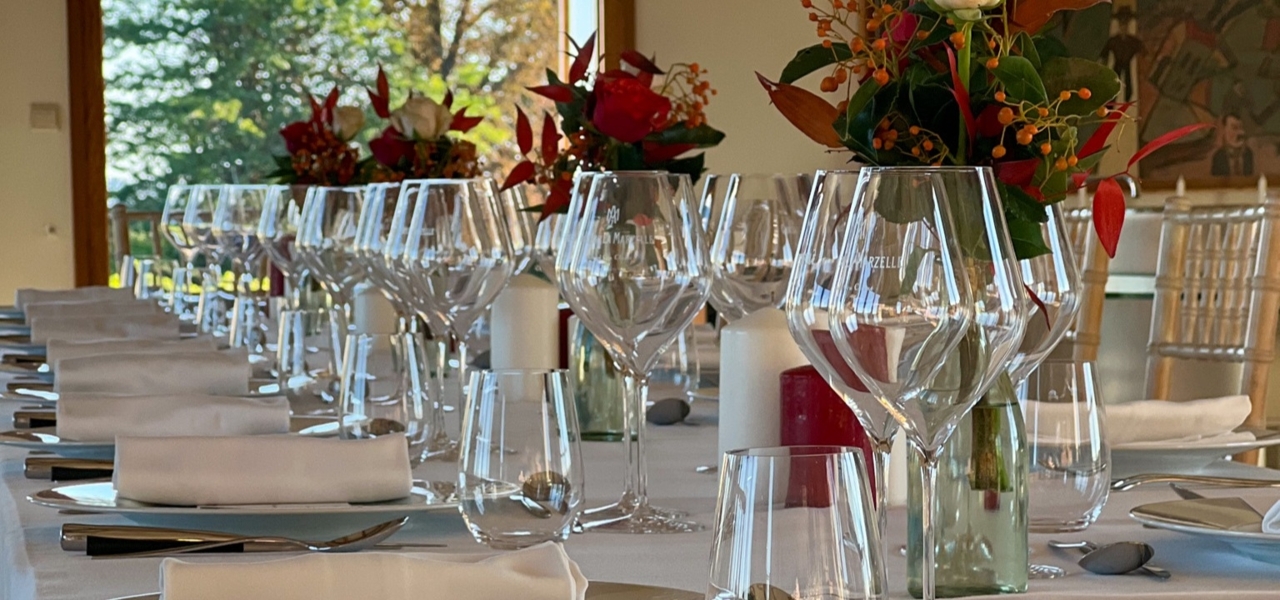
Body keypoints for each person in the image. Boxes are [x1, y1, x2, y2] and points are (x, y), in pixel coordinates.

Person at [1210, 113, 1254, 177]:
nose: (1239, 132)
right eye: (1234, 128)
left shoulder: (1248, 153)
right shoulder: (1218, 157)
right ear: (1224, 130)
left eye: (1241, 128)